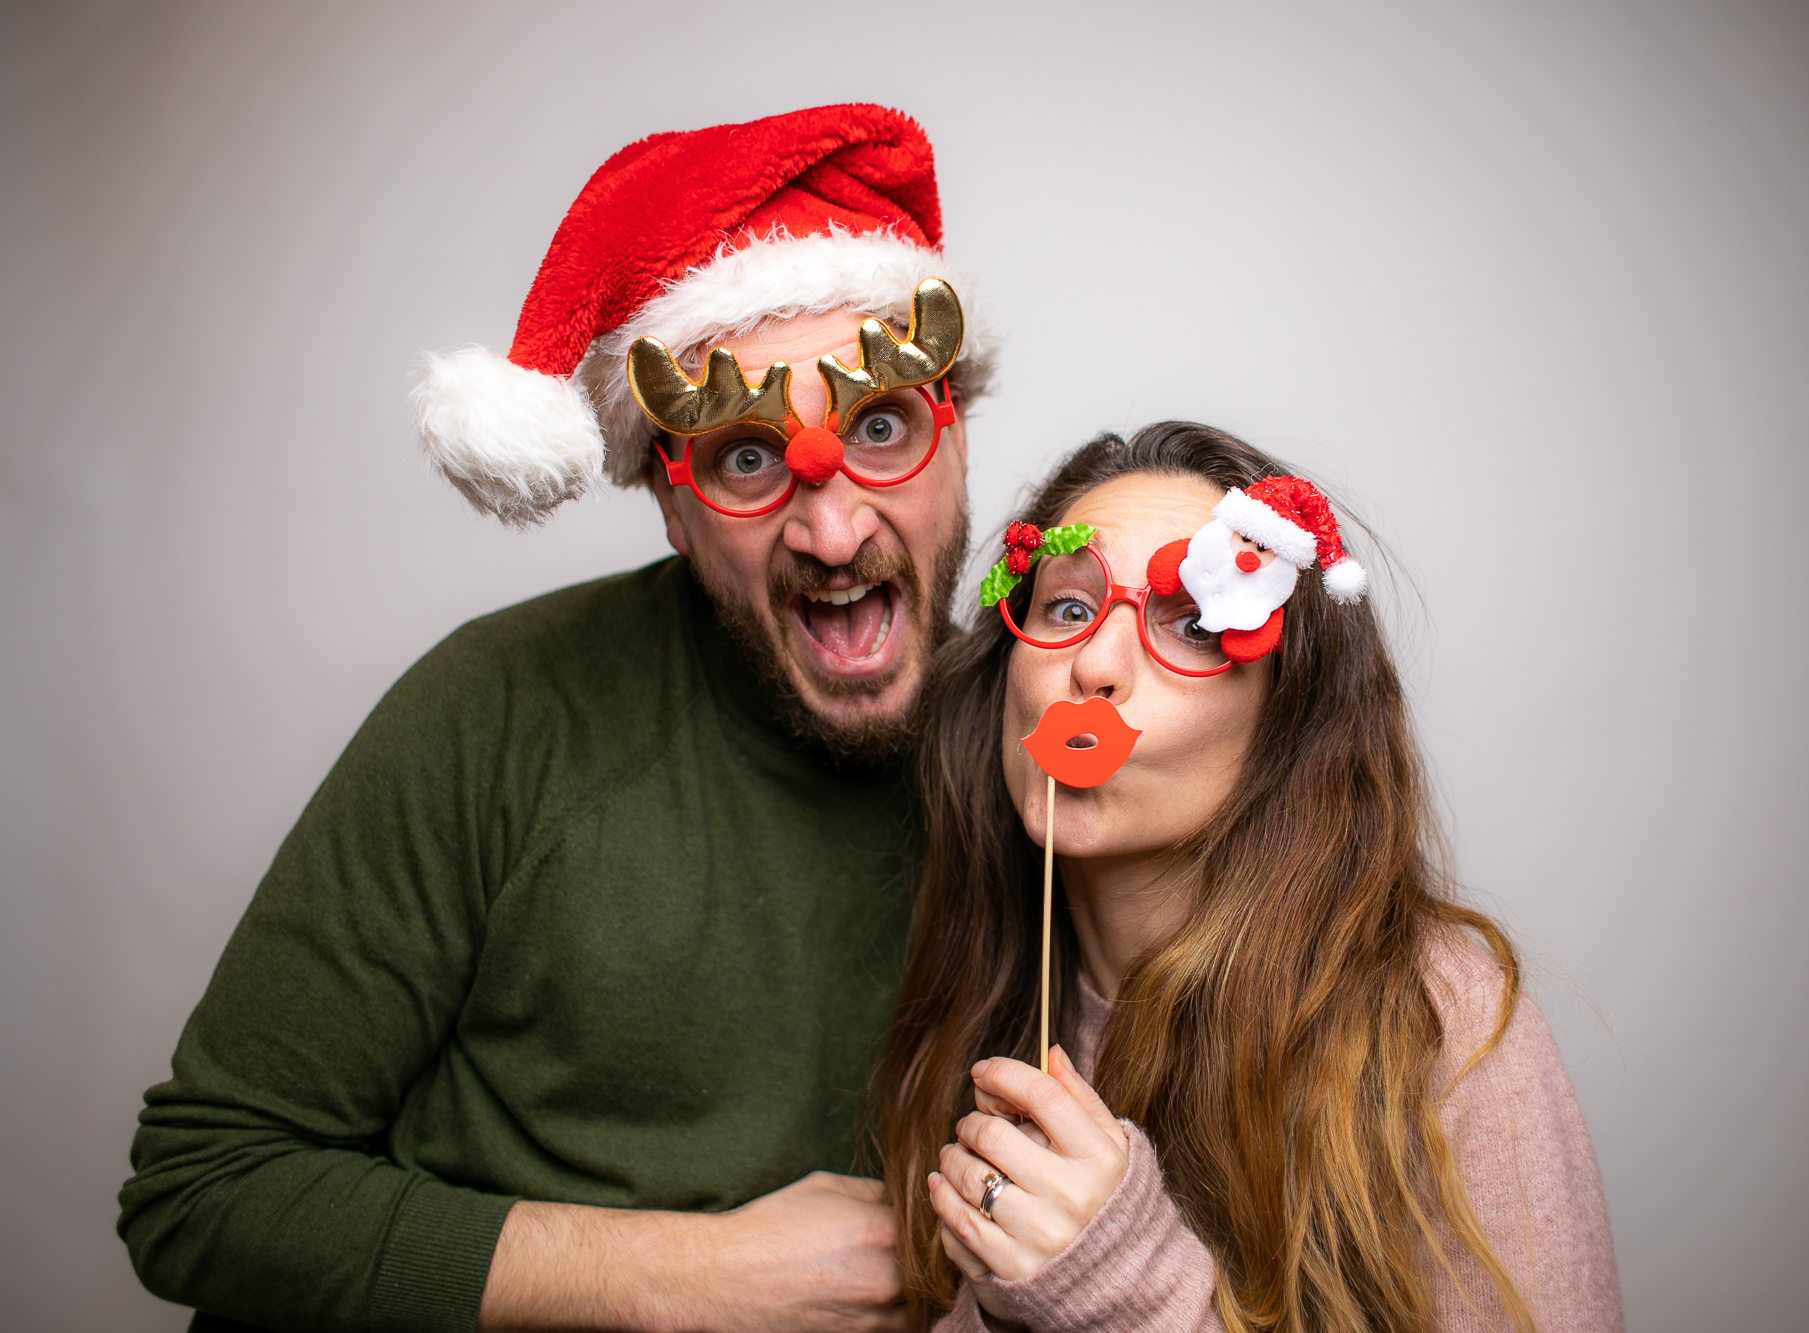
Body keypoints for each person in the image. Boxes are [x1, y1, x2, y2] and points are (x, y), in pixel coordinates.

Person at [119, 104, 995, 1333]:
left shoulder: (1043, 769)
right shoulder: (499, 710)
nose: (835, 530)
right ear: (669, 507)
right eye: (745, 460)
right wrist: (682, 1276)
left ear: (959, 440)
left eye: (884, 427)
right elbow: (201, 1186)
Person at [879, 423, 1623, 1332]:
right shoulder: (976, 999)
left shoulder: (1439, 1023)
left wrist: (1118, 1286)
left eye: (1195, 623)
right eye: (1068, 608)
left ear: (1289, 714)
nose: (1094, 664)